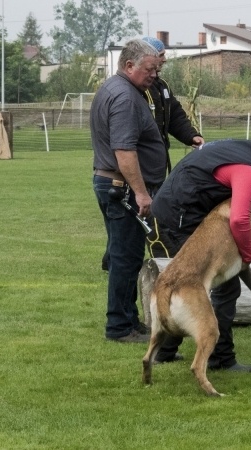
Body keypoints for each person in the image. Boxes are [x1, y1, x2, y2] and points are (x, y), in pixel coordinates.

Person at [150, 138, 251, 371]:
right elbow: (239, 220)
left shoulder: (246, 150)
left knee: (186, 282)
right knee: (224, 288)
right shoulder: (249, 169)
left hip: (176, 207)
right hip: (180, 215)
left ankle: (165, 351)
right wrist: (248, 255)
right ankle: (221, 359)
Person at [101, 36, 204, 269]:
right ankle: (164, 260)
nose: (163, 62)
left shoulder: (161, 86)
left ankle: (114, 260)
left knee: (128, 230)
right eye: (159, 58)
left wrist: (190, 135)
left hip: (155, 166)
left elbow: (175, 114)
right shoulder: (134, 91)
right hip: (140, 169)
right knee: (151, 221)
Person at [90, 39, 166, 343]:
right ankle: (119, 327)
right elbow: (124, 150)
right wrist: (141, 192)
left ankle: (129, 321)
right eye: (150, 69)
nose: (154, 75)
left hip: (113, 184)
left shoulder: (116, 88)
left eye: (157, 69)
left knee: (128, 256)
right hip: (122, 187)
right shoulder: (124, 98)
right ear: (129, 65)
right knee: (125, 257)